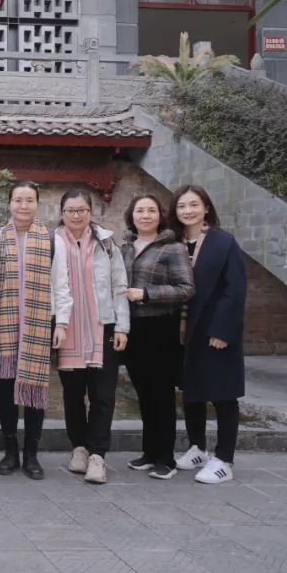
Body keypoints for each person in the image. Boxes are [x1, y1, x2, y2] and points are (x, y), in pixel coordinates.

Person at [51, 188, 129, 484]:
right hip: (66, 328)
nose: (76, 215)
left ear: (90, 212)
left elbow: (119, 286)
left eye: (81, 210)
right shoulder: (52, 241)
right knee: (72, 396)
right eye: (70, 210)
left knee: (103, 396)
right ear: (62, 213)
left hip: (103, 326)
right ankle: (79, 448)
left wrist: (122, 327)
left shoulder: (106, 243)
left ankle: (98, 455)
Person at [170, 185, 246, 484]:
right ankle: (197, 448)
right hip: (183, 331)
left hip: (214, 330)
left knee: (223, 394)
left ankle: (224, 459)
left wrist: (222, 330)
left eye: (193, 205)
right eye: (181, 206)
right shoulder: (173, 242)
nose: (187, 211)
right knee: (192, 391)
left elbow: (234, 289)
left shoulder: (223, 242)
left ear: (206, 208)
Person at [120, 193, 194, 480]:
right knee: (143, 392)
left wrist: (147, 293)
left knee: (162, 394)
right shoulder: (126, 247)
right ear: (132, 215)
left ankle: (166, 458)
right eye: (140, 210)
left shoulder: (173, 248)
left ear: (160, 216)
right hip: (133, 327)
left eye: (151, 210)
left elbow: (186, 288)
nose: (145, 215)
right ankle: (149, 452)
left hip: (161, 327)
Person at [0, 181, 53, 480]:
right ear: (10, 203)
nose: (23, 205)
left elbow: (60, 283)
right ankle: (10, 452)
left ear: (37, 204)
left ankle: (31, 455)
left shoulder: (50, 239)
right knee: (6, 390)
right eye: (18, 200)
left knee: (35, 388)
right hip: (3, 324)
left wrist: (61, 322)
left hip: (39, 324)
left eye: (29, 200)